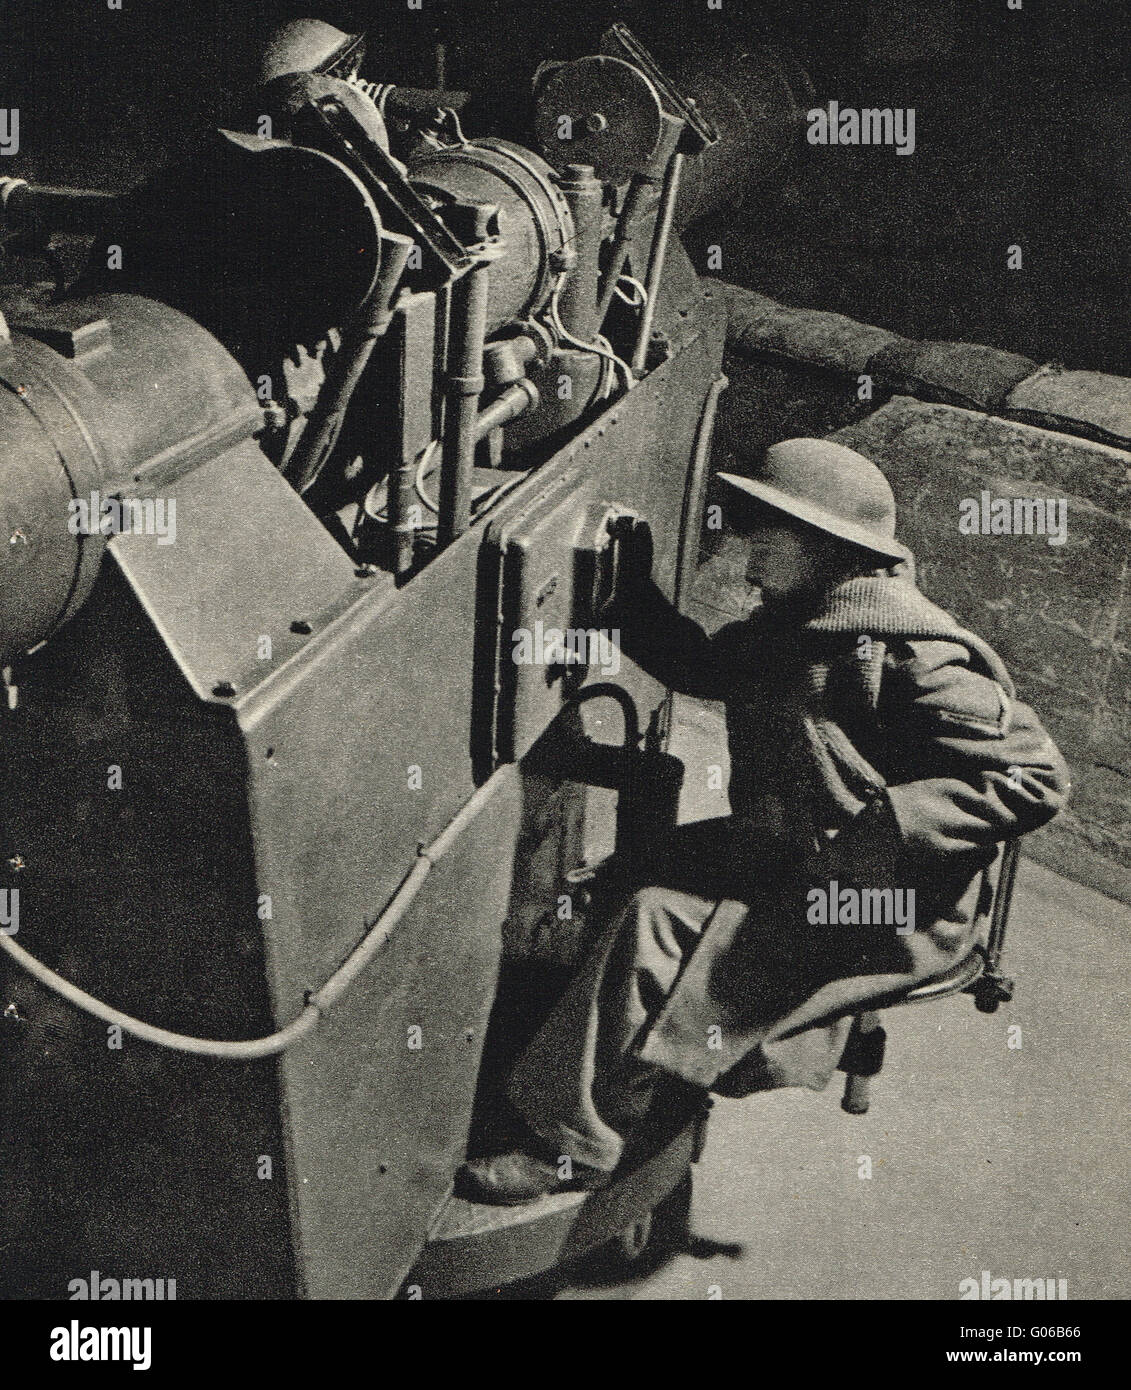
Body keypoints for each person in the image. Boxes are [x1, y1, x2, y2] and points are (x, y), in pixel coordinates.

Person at [459, 438, 1071, 1204]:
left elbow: (1036, 778)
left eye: (764, 544)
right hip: (802, 851)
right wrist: (632, 594)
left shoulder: (910, 656)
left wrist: (879, 832)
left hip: (884, 898)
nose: (745, 564)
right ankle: (622, 1058)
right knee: (638, 867)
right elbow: (705, 668)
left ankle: (574, 1142)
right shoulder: (801, 623)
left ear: (825, 548)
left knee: (655, 923)